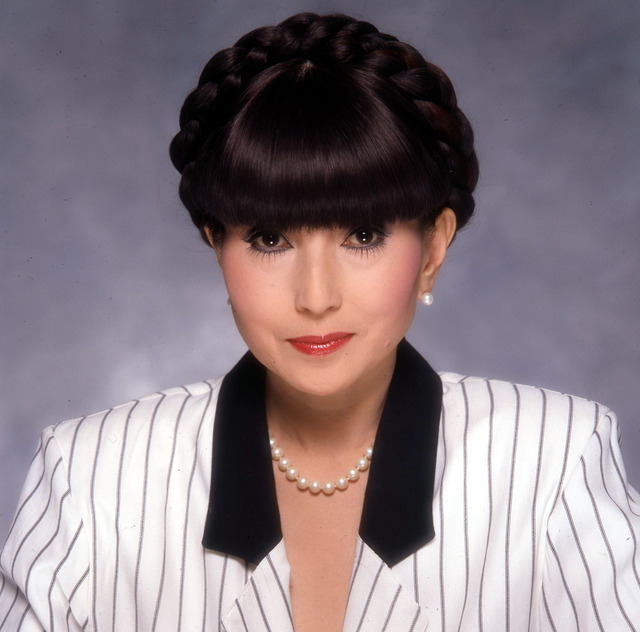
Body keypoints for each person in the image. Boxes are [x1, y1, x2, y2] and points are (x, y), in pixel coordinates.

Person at [1, 11, 639, 632]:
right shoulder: (90, 477)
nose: (315, 297)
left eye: (362, 235)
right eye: (270, 239)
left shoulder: (553, 463)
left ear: (433, 248)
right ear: (216, 243)